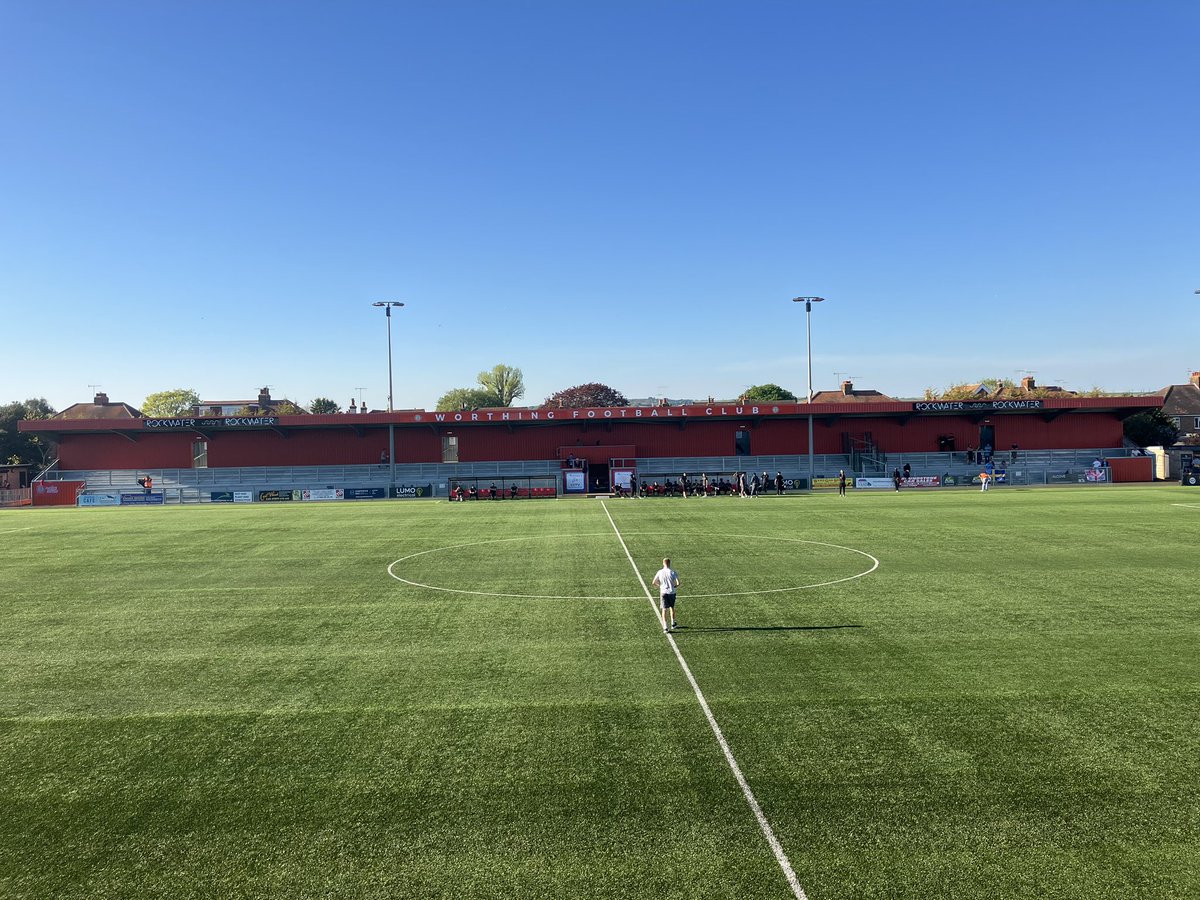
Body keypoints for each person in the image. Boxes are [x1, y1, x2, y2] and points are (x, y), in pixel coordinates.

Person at [651, 557, 681, 633]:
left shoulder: (660, 572)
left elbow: (654, 582)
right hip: (672, 592)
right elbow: (678, 583)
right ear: (669, 563)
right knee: (672, 608)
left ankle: (665, 627)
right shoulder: (672, 572)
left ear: (663, 563)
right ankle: (673, 623)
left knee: (664, 609)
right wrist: (674, 587)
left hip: (663, 592)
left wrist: (659, 586)